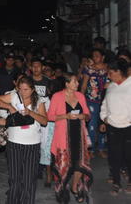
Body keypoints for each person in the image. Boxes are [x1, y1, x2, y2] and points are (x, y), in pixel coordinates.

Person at [0, 76, 47, 204]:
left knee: (29, 180)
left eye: (26, 89)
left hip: (32, 144)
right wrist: (10, 107)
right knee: (15, 179)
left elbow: (44, 121)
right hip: (14, 143)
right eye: (20, 89)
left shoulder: (39, 101)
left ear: (33, 89)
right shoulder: (14, 96)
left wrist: (30, 113)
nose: (23, 92)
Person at [48, 73, 91, 203]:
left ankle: (74, 187)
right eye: (74, 82)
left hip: (79, 135)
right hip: (63, 137)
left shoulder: (80, 96)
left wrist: (83, 116)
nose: (77, 84)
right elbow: (50, 116)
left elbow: (88, 114)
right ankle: (62, 190)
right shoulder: (57, 96)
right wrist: (65, 116)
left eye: (77, 82)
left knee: (79, 164)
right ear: (66, 84)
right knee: (63, 165)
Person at [100, 59, 131, 196]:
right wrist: (104, 118)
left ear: (119, 72)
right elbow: (104, 104)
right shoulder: (111, 86)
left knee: (129, 156)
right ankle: (116, 182)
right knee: (114, 156)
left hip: (128, 127)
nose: (108, 75)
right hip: (113, 127)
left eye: (111, 72)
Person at [29, 58, 54, 186]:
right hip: (31, 115)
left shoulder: (48, 82)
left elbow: (52, 98)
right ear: (30, 67)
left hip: (45, 117)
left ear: (42, 67)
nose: (36, 69)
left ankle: (49, 174)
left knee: (46, 146)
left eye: (38, 66)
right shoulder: (27, 81)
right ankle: (33, 171)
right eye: (34, 66)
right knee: (32, 144)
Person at [80, 48, 108, 158]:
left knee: (103, 124)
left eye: (97, 55)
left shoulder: (108, 69)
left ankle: (101, 148)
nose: (95, 58)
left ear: (103, 57)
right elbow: (83, 85)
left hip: (105, 101)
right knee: (91, 125)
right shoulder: (88, 69)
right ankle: (91, 150)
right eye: (93, 56)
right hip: (91, 101)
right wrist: (82, 102)